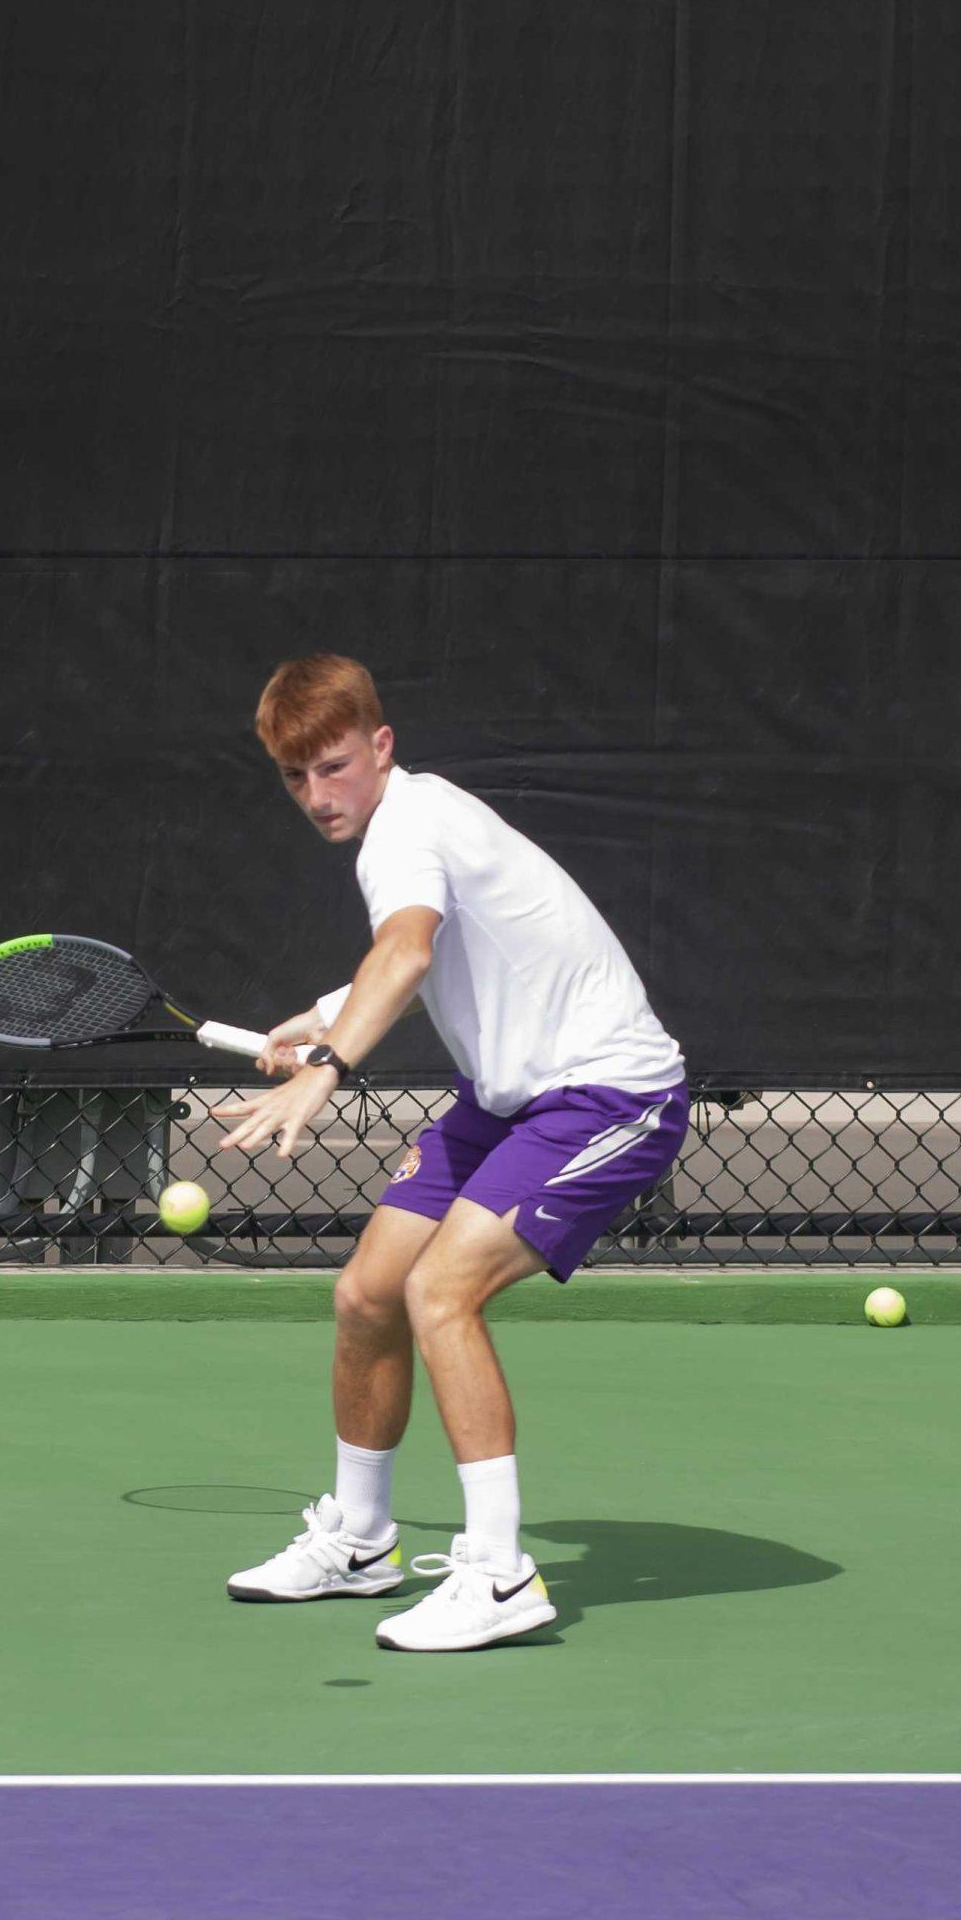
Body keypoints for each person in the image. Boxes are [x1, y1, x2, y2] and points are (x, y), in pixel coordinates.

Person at [213, 653, 689, 1652]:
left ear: (380, 746)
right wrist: (313, 1019)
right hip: (508, 1098)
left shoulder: (408, 825)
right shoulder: (411, 825)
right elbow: (434, 956)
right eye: (294, 776)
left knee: (440, 1291)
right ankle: (357, 1540)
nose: (316, 794)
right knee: (368, 1293)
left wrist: (327, 1064)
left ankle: (501, 1574)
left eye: (333, 766)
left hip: (610, 1095)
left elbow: (409, 953)